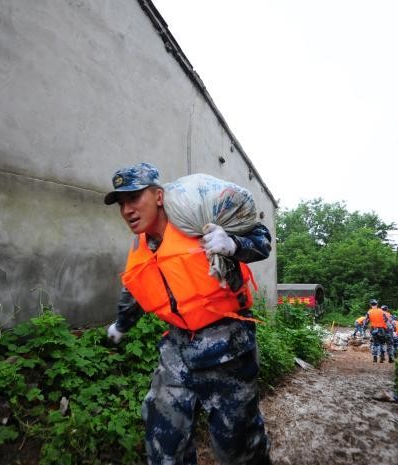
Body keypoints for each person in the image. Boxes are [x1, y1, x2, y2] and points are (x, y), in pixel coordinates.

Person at [104, 163, 272, 465]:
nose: (127, 210)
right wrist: (122, 324)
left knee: (239, 449)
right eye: (121, 203)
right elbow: (138, 287)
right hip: (177, 351)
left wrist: (232, 244)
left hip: (228, 349)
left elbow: (262, 240)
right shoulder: (141, 245)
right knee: (163, 443)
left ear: (158, 196)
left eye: (134, 198)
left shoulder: (196, 219)